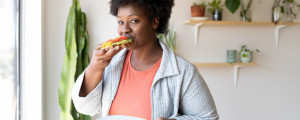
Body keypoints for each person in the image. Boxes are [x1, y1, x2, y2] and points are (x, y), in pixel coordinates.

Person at [72, 0, 219, 120]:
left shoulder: (184, 72)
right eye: (120, 22)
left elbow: (209, 118)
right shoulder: (111, 63)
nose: (125, 29)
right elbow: (85, 108)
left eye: (134, 20)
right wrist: (95, 67)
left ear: (155, 22)